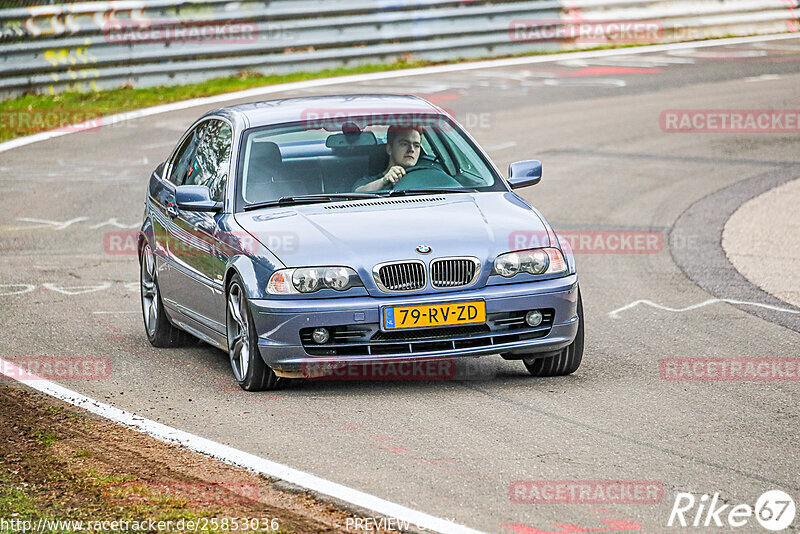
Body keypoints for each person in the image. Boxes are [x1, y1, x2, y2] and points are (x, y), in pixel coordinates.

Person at [353, 125, 422, 192]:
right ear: (389, 149)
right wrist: (384, 181)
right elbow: (358, 192)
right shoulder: (369, 181)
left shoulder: (424, 177)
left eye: (416, 146)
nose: (411, 149)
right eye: (404, 144)